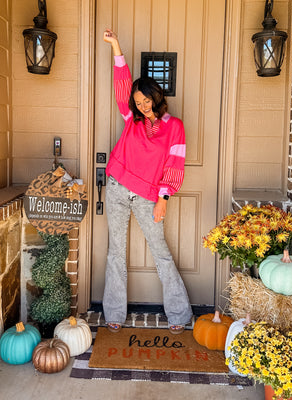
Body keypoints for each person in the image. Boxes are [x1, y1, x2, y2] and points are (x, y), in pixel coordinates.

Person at [102, 29, 192, 335]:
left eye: (145, 99)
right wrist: (116, 46)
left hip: (147, 196)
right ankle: (114, 312)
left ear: (157, 96)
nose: (141, 104)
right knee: (116, 251)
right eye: (137, 100)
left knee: (160, 251)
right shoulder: (132, 118)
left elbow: (174, 165)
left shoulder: (173, 127)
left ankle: (179, 315)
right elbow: (121, 84)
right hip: (116, 187)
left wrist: (163, 199)